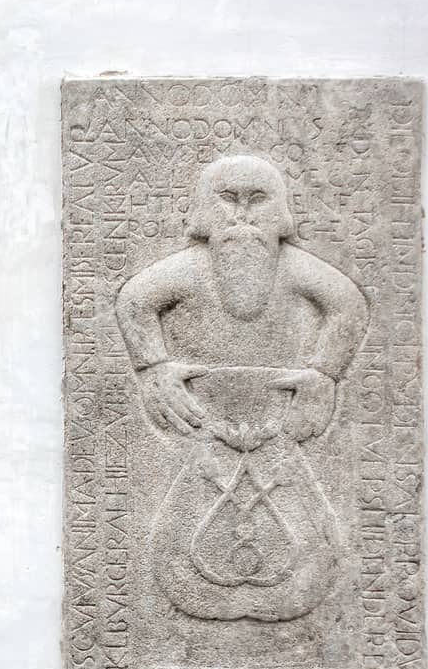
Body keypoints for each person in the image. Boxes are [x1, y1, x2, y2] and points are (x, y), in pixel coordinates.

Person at [115, 154, 369, 621]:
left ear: (281, 212)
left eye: (257, 200)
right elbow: (135, 301)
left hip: (279, 419)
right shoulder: (189, 269)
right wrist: (154, 370)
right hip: (205, 418)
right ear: (203, 212)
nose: (242, 215)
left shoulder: (295, 269)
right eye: (228, 200)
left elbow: (347, 305)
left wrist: (322, 375)